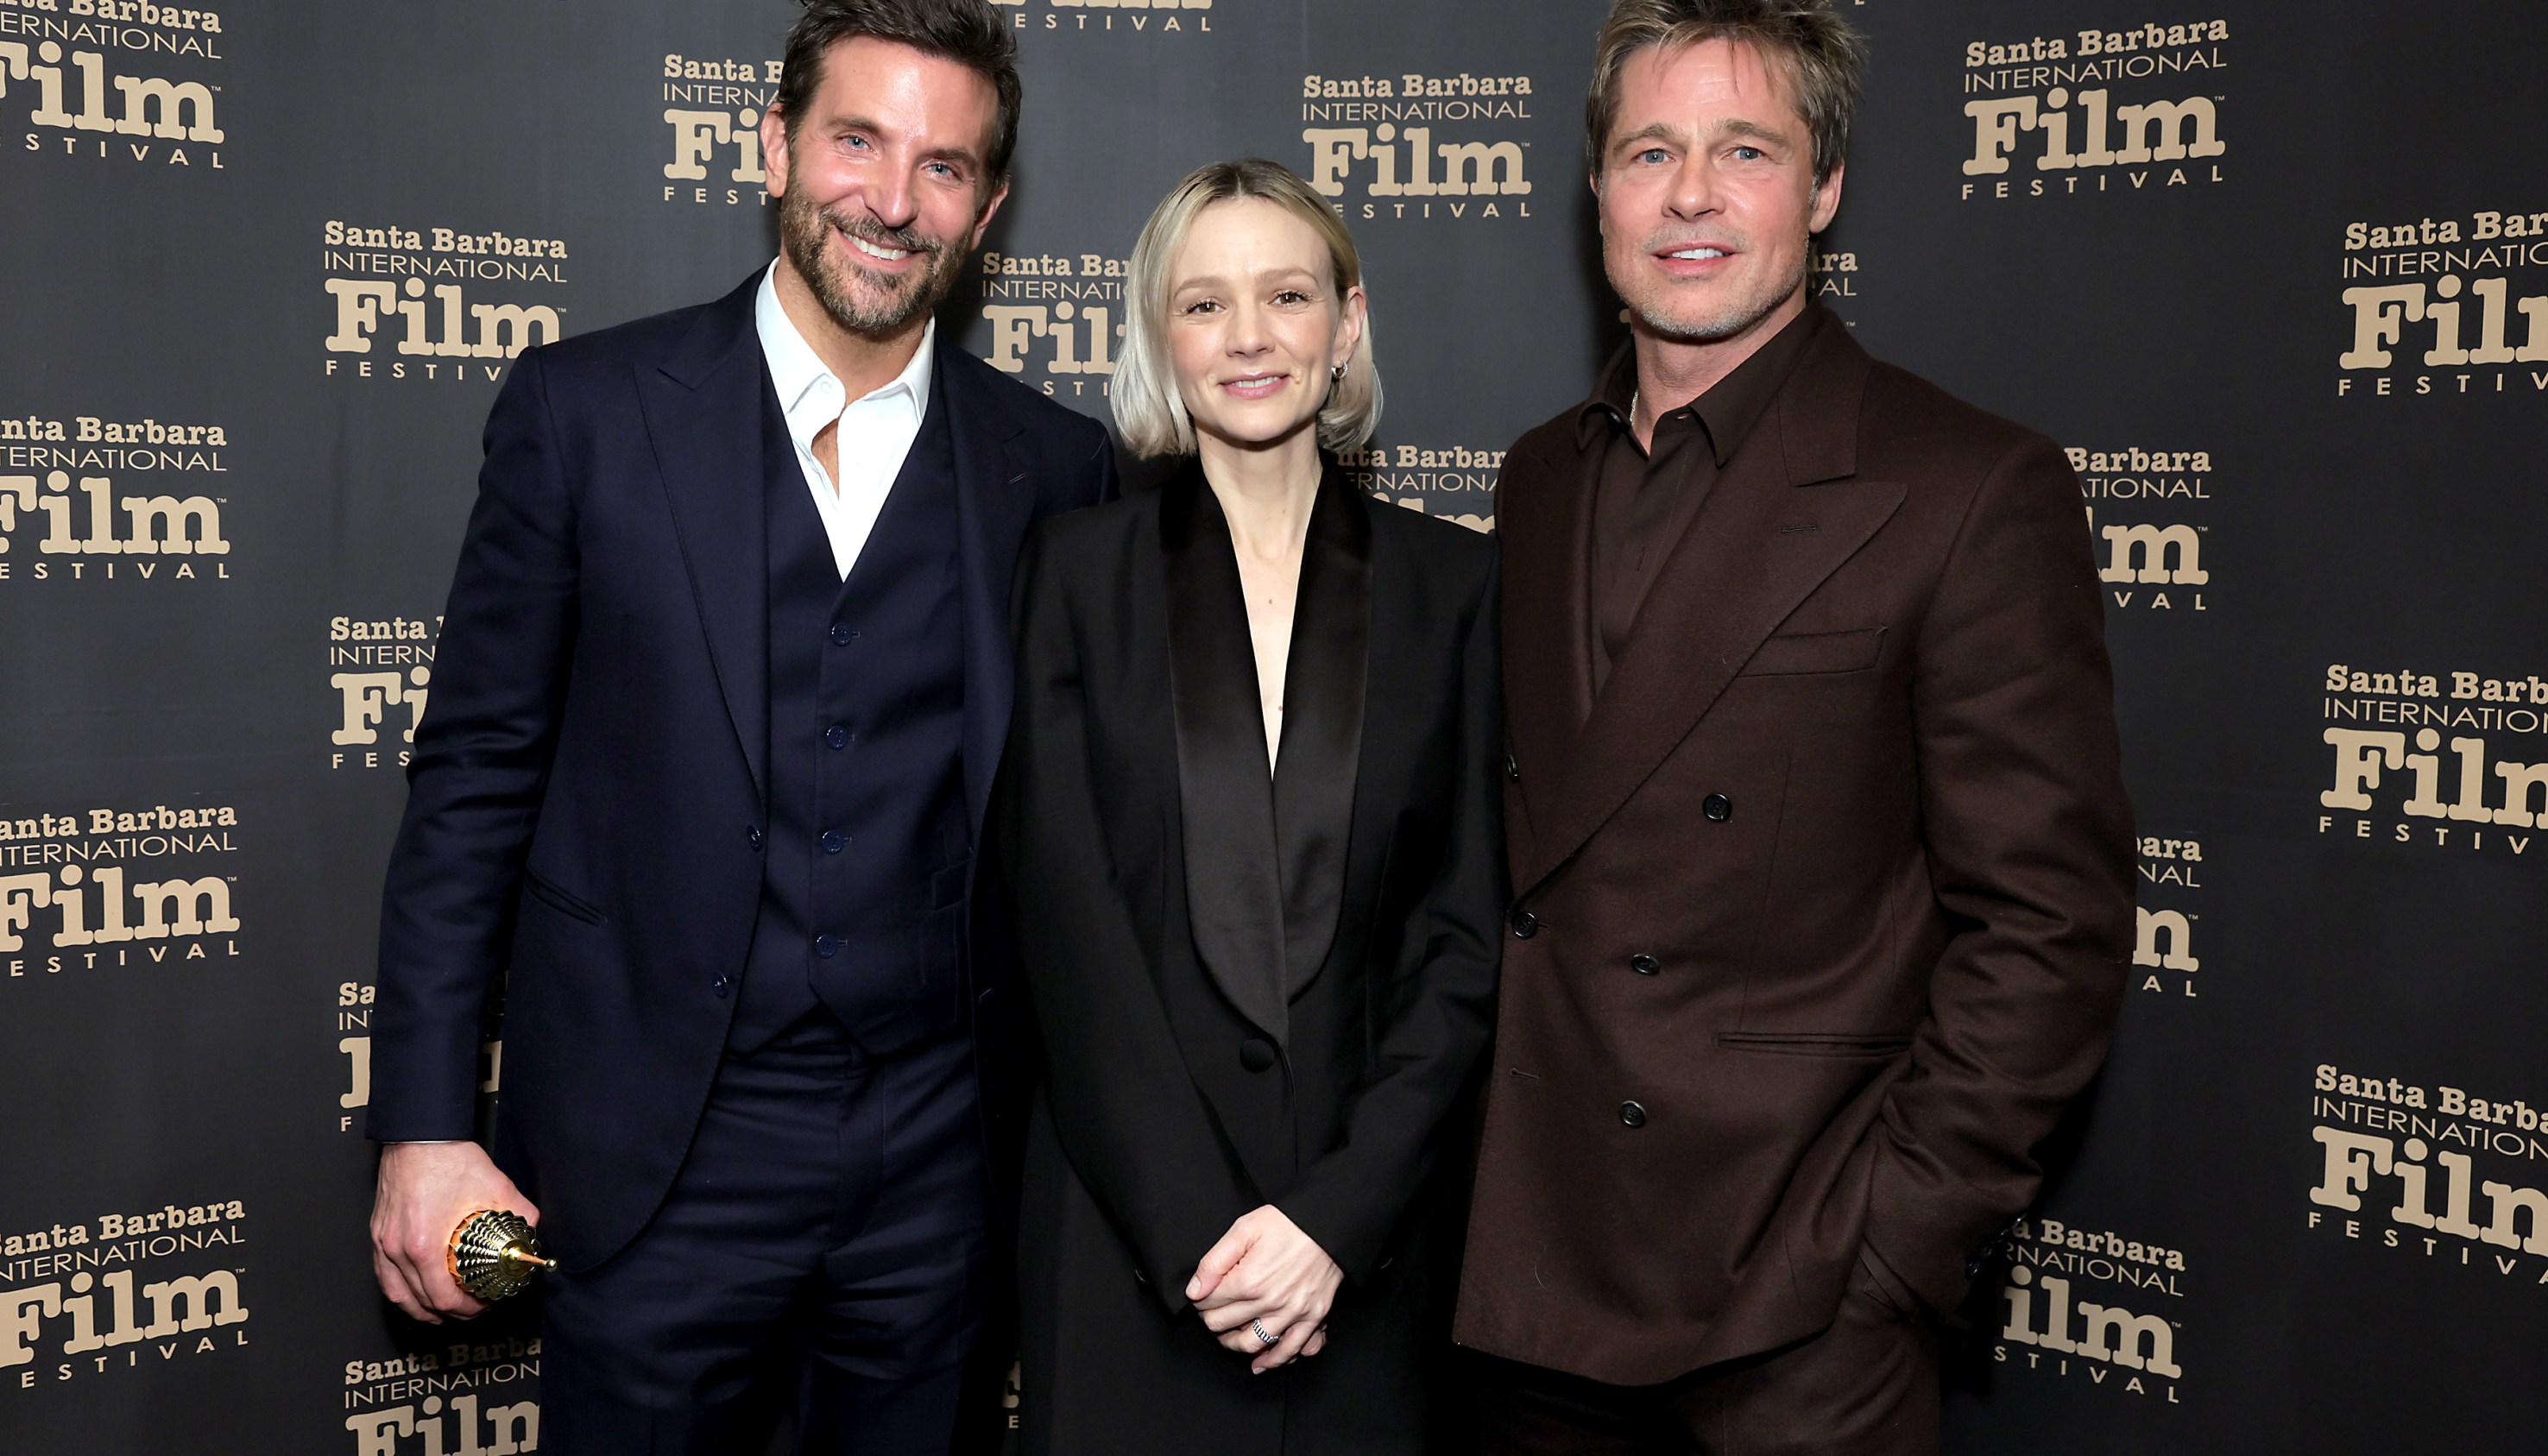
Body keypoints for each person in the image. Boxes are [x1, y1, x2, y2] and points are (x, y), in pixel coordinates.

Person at [362, 1, 1115, 1449]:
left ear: (991, 207)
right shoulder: (585, 411)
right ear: (772, 145)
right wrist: (425, 1120)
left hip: (936, 1173)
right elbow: (473, 781)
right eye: (857, 140)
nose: (894, 203)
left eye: (945, 166)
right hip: (654, 1159)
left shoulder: (1057, 466)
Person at [1452, 3, 2135, 1452]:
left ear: (1823, 186)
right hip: (1535, 1291)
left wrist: (1890, 1253)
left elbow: (2049, 923)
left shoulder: (1965, 486)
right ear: (1598, 192)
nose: (1691, 193)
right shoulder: (1538, 483)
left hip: (1793, 1314)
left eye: (1745, 149)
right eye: (1651, 150)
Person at [991, 159, 1504, 1455]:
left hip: (1363, 1267)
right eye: (1205, 303)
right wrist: (1209, 1246)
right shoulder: (1071, 571)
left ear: (1349, 323)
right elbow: (1067, 930)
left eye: (1286, 294)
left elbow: (1463, 939)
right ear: (1162, 337)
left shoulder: (1456, 589)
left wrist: (1335, 1223)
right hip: (1131, 1252)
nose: (1251, 337)